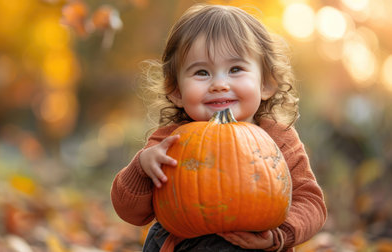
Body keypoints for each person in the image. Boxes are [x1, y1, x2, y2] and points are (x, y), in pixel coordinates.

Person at [111, 4, 326, 251]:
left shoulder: (279, 138)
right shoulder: (169, 142)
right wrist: (141, 169)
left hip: (256, 243)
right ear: (177, 91)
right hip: (186, 243)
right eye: (202, 72)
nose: (220, 84)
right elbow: (130, 212)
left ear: (266, 83)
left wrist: (278, 235)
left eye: (235, 69)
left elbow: (310, 202)